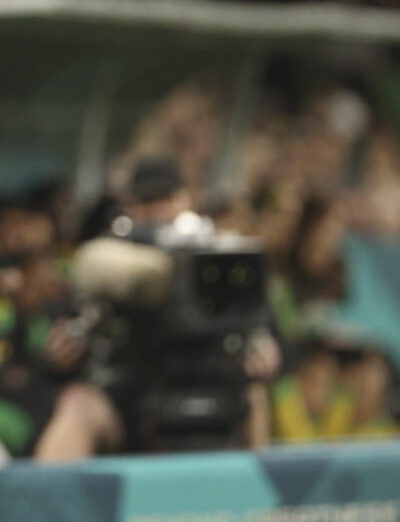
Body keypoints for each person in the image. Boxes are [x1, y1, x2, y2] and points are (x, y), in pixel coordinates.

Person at [33, 156, 279, 460]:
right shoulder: (112, 259)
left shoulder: (215, 255)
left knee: (254, 393)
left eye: (166, 199)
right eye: (148, 201)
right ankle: (44, 502)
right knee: (77, 404)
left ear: (186, 200)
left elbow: (256, 320)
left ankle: (262, 499)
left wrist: (265, 348)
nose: (159, 210)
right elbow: (72, 326)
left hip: (212, 382)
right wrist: (57, 360)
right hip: (133, 391)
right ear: (130, 208)